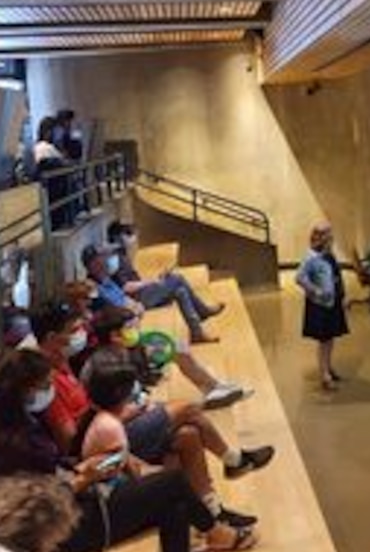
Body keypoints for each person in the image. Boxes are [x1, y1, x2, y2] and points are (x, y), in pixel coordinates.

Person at [0, 350, 257, 552]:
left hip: (71, 500)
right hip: (62, 526)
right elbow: (41, 499)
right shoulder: (15, 442)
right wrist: (86, 478)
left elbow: (53, 473)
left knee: (174, 501)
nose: (51, 391)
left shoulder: (15, 422)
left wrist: (82, 468)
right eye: (46, 385)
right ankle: (214, 531)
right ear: (25, 389)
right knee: (172, 483)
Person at [80, 305, 274, 523]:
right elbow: (103, 415)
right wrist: (139, 409)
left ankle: (213, 511)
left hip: (135, 418)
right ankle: (233, 459)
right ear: (115, 335)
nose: (136, 329)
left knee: (188, 435)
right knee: (189, 408)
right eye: (130, 327)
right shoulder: (101, 366)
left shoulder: (126, 353)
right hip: (119, 432)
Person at [81, 244, 249, 408]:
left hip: (133, 336)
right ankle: (211, 386)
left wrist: (134, 310)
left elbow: (130, 304)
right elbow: (121, 314)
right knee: (176, 283)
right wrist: (133, 312)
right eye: (102, 257)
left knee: (179, 347)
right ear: (94, 263)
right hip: (126, 346)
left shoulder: (107, 280)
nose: (107, 259)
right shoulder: (94, 292)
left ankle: (213, 387)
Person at [107, 221, 225, 343]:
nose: (133, 237)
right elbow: (125, 287)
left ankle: (196, 332)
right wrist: (151, 282)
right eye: (128, 234)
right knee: (177, 278)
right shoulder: (115, 259)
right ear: (118, 238)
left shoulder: (122, 254)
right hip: (136, 299)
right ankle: (203, 311)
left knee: (180, 291)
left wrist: (156, 280)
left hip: (141, 293)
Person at [295, 222, 349, 391]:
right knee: (324, 340)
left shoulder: (328, 255)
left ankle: (328, 366)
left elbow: (335, 276)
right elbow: (299, 278)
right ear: (320, 237)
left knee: (330, 338)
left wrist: (342, 295)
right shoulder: (311, 257)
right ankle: (324, 374)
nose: (331, 237)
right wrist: (316, 291)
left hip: (332, 303)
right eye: (328, 234)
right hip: (320, 305)